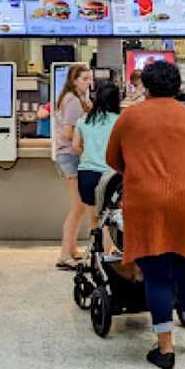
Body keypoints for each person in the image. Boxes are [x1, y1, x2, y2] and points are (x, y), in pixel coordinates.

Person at [106, 61, 185, 369]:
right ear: (178, 86)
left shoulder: (130, 117)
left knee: (157, 273)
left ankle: (165, 349)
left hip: (147, 203)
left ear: (146, 86)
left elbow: (113, 158)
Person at [72, 82, 120, 252]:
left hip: (87, 174)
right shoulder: (119, 120)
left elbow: (75, 146)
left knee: (93, 219)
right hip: (110, 176)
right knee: (108, 219)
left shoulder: (83, 120)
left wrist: (89, 154)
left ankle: (93, 256)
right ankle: (106, 259)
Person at [54, 64, 93, 270]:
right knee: (78, 207)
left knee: (79, 207)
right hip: (71, 155)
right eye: (85, 79)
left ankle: (72, 249)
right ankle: (63, 255)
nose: (89, 83)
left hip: (66, 155)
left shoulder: (72, 99)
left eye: (90, 79)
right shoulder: (73, 102)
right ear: (74, 80)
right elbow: (68, 133)